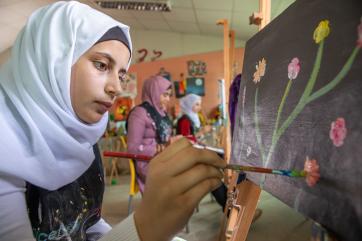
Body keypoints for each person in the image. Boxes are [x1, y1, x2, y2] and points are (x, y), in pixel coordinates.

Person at [0, 2, 225, 241]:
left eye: (121, 74)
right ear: (54, 59)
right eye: (101, 65)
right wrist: (145, 228)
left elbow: (87, 224)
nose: (116, 88)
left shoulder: (83, 140)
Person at [126, 75, 175, 193]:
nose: (168, 99)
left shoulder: (161, 112)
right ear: (154, 93)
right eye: (165, 95)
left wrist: (172, 142)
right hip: (148, 162)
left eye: (169, 95)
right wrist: (158, 148)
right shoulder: (139, 114)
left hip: (163, 158)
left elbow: (165, 138)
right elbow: (132, 149)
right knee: (186, 175)